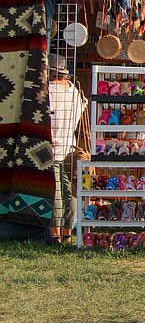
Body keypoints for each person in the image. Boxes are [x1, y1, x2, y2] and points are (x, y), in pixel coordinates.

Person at [47, 54, 88, 243]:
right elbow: (82, 108)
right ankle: (67, 230)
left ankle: (55, 232)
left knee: (55, 190)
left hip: (52, 144)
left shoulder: (48, 91)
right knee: (68, 189)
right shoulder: (74, 92)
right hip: (69, 144)